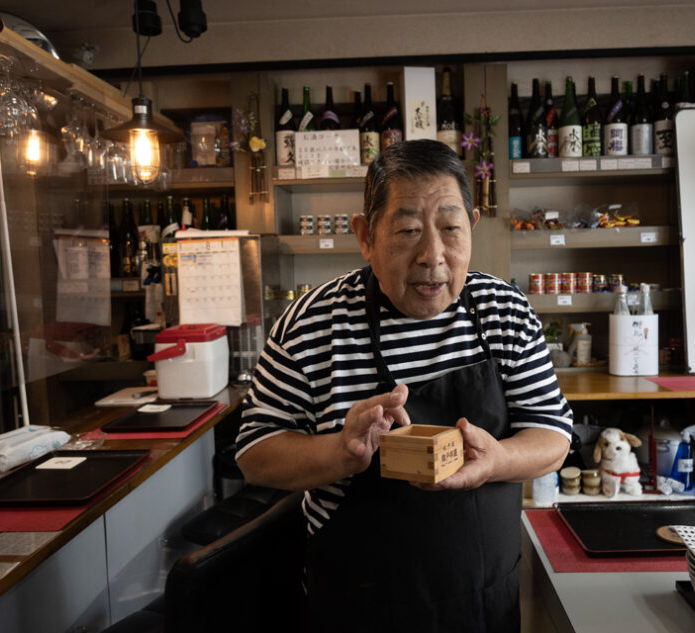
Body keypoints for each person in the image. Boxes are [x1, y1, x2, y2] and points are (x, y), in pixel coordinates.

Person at [236, 139, 573, 633]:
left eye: (451, 229)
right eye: (408, 231)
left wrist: (496, 461)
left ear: (472, 228)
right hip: (357, 607)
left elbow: (552, 435)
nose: (433, 256)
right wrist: (342, 453)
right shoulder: (310, 326)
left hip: (482, 603)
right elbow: (255, 454)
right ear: (365, 236)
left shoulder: (504, 311)